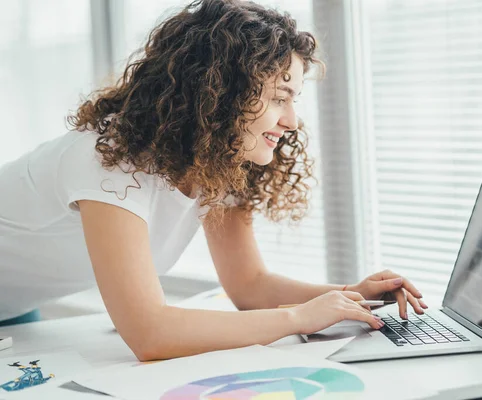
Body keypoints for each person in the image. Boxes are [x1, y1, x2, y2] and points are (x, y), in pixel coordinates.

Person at [0, 0, 427, 360]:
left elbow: (249, 285)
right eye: (279, 99)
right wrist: (299, 318)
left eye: (293, 100)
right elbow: (150, 333)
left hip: (16, 308)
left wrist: (351, 295)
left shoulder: (215, 164)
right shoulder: (107, 162)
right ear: (221, 92)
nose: (292, 121)